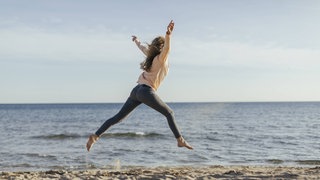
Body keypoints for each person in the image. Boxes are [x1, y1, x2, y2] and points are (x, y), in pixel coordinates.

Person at [86, 20, 193, 152]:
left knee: (117, 118)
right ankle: (180, 140)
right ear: (162, 47)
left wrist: (137, 41)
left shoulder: (151, 56)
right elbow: (167, 49)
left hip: (136, 90)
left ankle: (95, 136)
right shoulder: (161, 58)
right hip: (146, 91)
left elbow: (142, 47)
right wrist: (168, 35)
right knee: (169, 113)